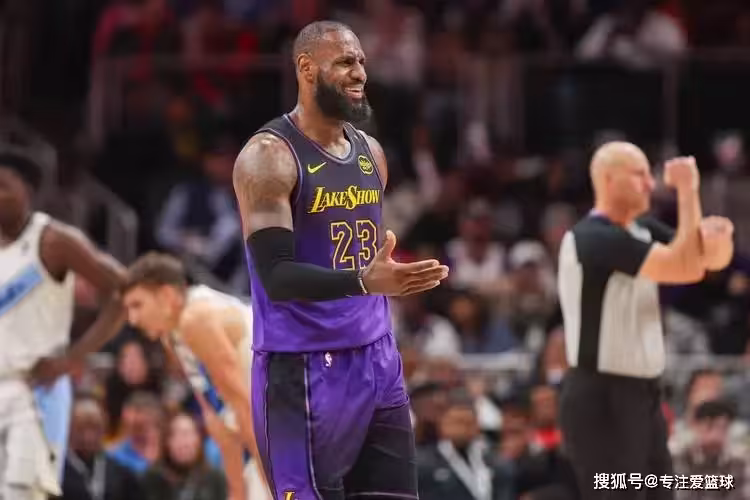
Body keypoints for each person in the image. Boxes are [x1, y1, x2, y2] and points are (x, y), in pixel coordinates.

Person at [233, 20, 450, 500]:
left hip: (378, 358)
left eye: (362, 62)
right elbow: (276, 276)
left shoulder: (372, 153)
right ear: (306, 68)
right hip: (304, 369)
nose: (360, 74)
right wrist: (363, 281)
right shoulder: (269, 157)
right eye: (345, 62)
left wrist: (380, 282)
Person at [556, 142, 734, 500]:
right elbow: (684, 266)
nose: (650, 184)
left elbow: (707, 262)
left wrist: (721, 238)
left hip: (644, 392)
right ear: (608, 179)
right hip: (602, 394)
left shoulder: (642, 229)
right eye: (639, 175)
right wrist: (688, 191)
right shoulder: (592, 238)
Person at [0, 152, 126, 499]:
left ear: (28, 190)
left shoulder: (53, 240)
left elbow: (121, 291)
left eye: (3, 186)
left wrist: (74, 357)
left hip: (34, 390)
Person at [121, 251, 267, 500]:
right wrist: (237, 493)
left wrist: (274, 485)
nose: (132, 320)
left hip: (289, 409)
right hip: (269, 421)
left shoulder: (195, 319)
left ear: (166, 296)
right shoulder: (172, 336)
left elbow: (246, 408)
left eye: (137, 305)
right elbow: (218, 418)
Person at [61, 394, 143, 500]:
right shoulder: (58, 471)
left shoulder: (121, 474)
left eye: (95, 428)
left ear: (104, 427)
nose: (88, 436)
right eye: (80, 428)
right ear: (69, 428)